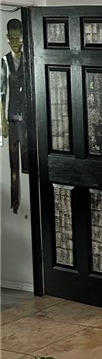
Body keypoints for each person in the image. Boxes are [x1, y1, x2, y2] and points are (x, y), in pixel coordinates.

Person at [0, 18, 29, 213]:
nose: (16, 42)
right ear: (7, 39)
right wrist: (2, 121)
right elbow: (1, 93)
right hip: (11, 119)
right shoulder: (4, 61)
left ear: (23, 38)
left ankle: (30, 202)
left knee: (28, 162)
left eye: (18, 38)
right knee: (13, 166)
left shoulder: (29, 59)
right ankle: (14, 201)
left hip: (27, 120)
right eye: (12, 38)